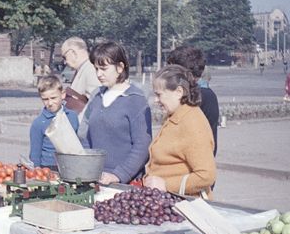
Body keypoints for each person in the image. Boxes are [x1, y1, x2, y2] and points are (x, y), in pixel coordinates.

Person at [81, 42, 152, 185]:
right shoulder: (96, 96)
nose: (99, 74)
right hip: (95, 178)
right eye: (96, 69)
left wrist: (119, 175)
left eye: (104, 69)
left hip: (125, 183)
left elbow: (142, 146)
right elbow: (84, 135)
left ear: (120, 67)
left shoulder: (136, 100)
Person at [144, 64, 216, 199]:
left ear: (179, 92)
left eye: (159, 95)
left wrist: (166, 184)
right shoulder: (175, 115)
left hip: (186, 205)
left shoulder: (193, 123)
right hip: (168, 200)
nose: (156, 100)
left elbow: (206, 175)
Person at [167, 46, 219, 156]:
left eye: (171, 70)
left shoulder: (203, 96)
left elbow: (206, 141)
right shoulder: (186, 92)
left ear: (184, 73)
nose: (167, 74)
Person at [29, 75, 79, 170]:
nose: (50, 103)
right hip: (48, 167)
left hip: (71, 165)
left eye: (53, 98)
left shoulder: (72, 116)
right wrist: (37, 169)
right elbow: (35, 153)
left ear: (63, 94)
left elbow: (79, 141)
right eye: (45, 99)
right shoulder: (39, 123)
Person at [60, 37, 100, 120]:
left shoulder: (91, 69)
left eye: (64, 57)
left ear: (73, 52)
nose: (64, 62)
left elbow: (97, 104)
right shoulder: (84, 68)